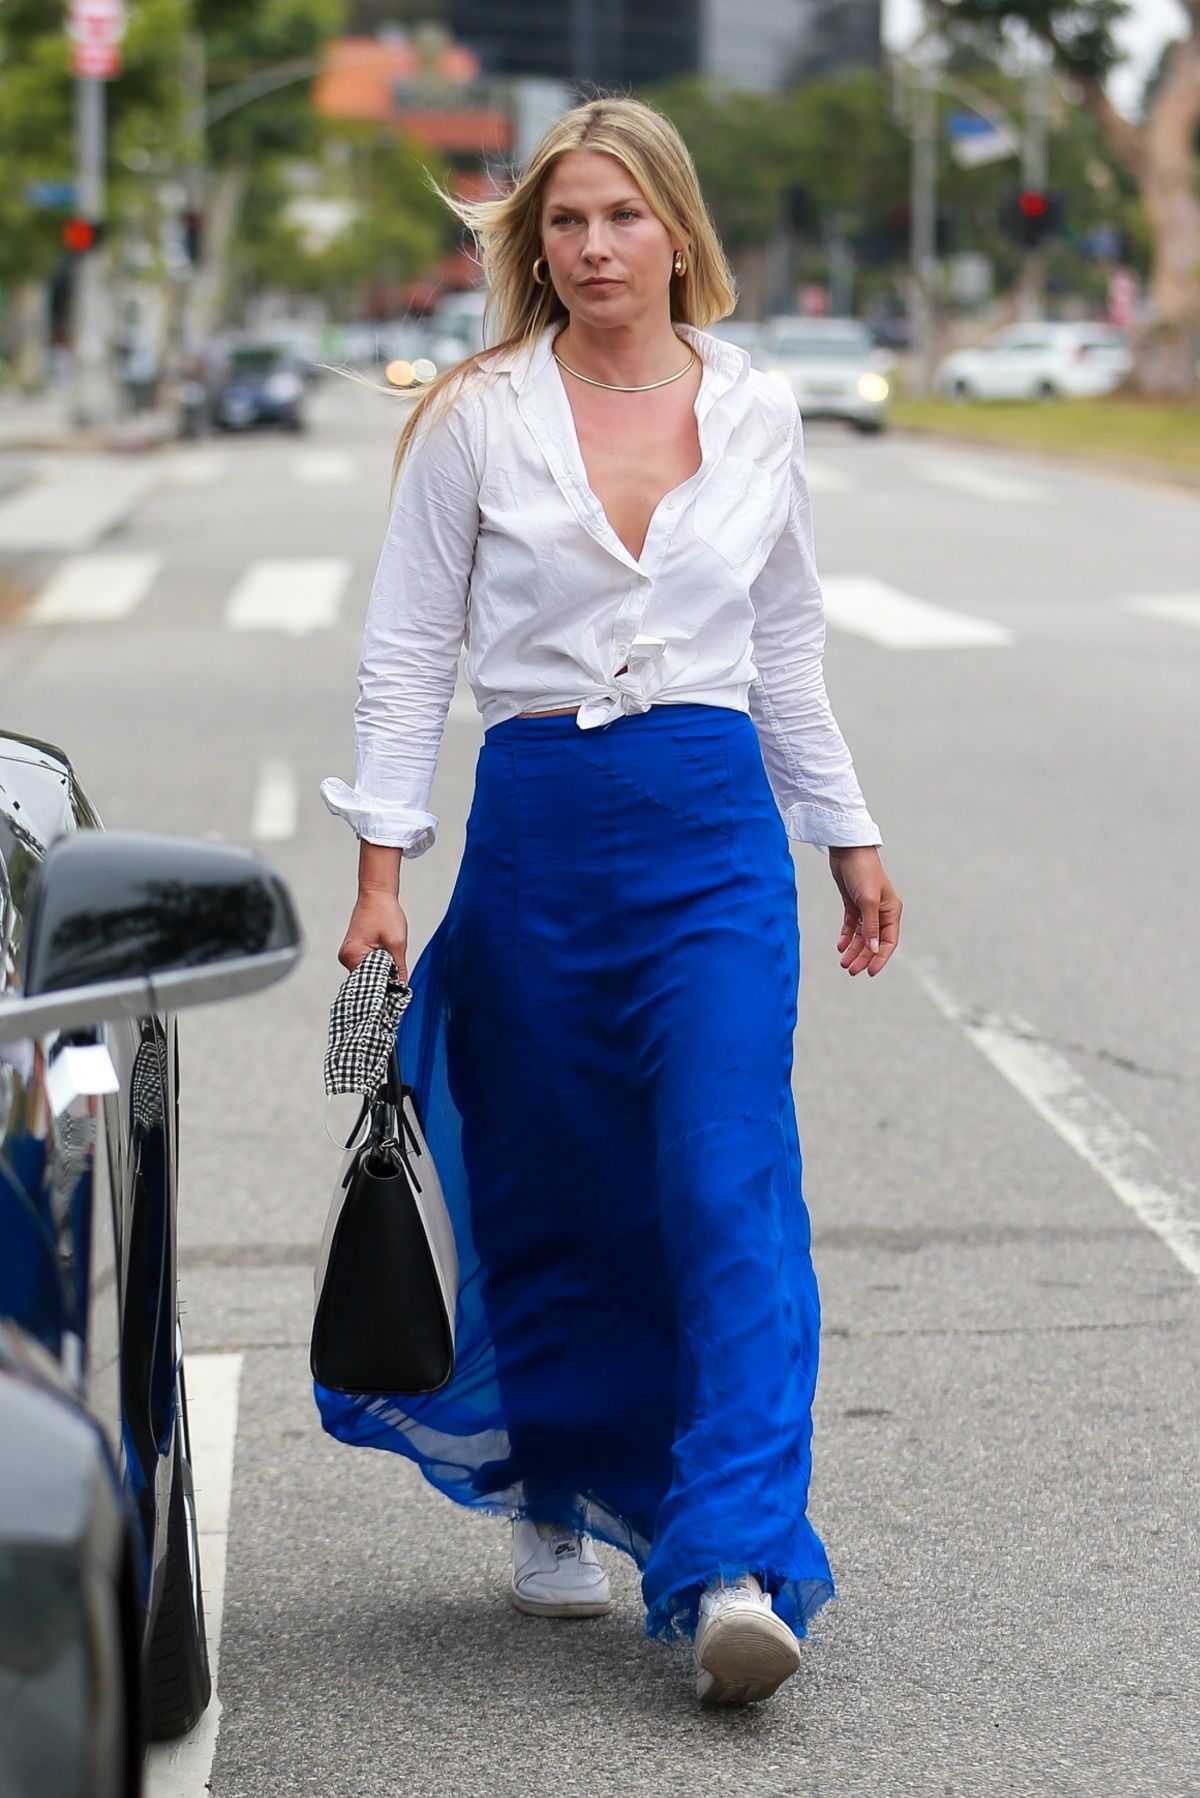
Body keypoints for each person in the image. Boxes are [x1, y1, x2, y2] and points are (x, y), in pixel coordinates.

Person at [318, 94, 902, 1709]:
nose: (591, 249)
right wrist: (384, 869)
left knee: (728, 1180)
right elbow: (406, 647)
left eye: (621, 217)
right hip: (540, 834)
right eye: (564, 222)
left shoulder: (761, 410)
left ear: (677, 231)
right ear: (535, 244)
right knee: (565, 1183)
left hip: (714, 835)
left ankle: (732, 1558)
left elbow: (786, 647)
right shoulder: (475, 414)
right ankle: (561, 1494)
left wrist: (844, 830)